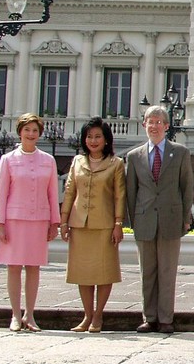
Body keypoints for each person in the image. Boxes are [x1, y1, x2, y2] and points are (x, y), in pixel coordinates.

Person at [125, 105, 194, 334]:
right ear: (144, 125)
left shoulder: (180, 152)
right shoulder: (134, 156)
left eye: (158, 122)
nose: (153, 126)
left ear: (166, 126)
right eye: (149, 121)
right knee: (147, 272)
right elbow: (131, 191)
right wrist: (131, 222)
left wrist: (186, 218)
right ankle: (149, 317)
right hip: (144, 220)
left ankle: (166, 318)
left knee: (167, 271)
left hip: (170, 219)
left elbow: (186, 187)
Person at [0, 113, 60, 332]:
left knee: (33, 268)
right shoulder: (8, 159)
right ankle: (14, 314)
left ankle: (30, 315)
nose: (30, 134)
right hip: (14, 219)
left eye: (34, 131)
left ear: (39, 134)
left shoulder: (48, 161)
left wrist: (54, 222)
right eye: (27, 130)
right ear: (20, 132)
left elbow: (53, 193)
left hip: (39, 219)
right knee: (13, 267)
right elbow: (1, 193)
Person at [60, 117, 126, 333]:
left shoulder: (116, 164)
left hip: (105, 224)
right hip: (80, 224)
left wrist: (118, 223)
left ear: (106, 140)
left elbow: (119, 196)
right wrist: (63, 220)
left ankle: (98, 316)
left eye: (98, 136)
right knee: (83, 273)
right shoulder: (77, 161)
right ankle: (87, 316)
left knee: (104, 272)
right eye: (89, 136)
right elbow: (69, 192)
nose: (93, 140)